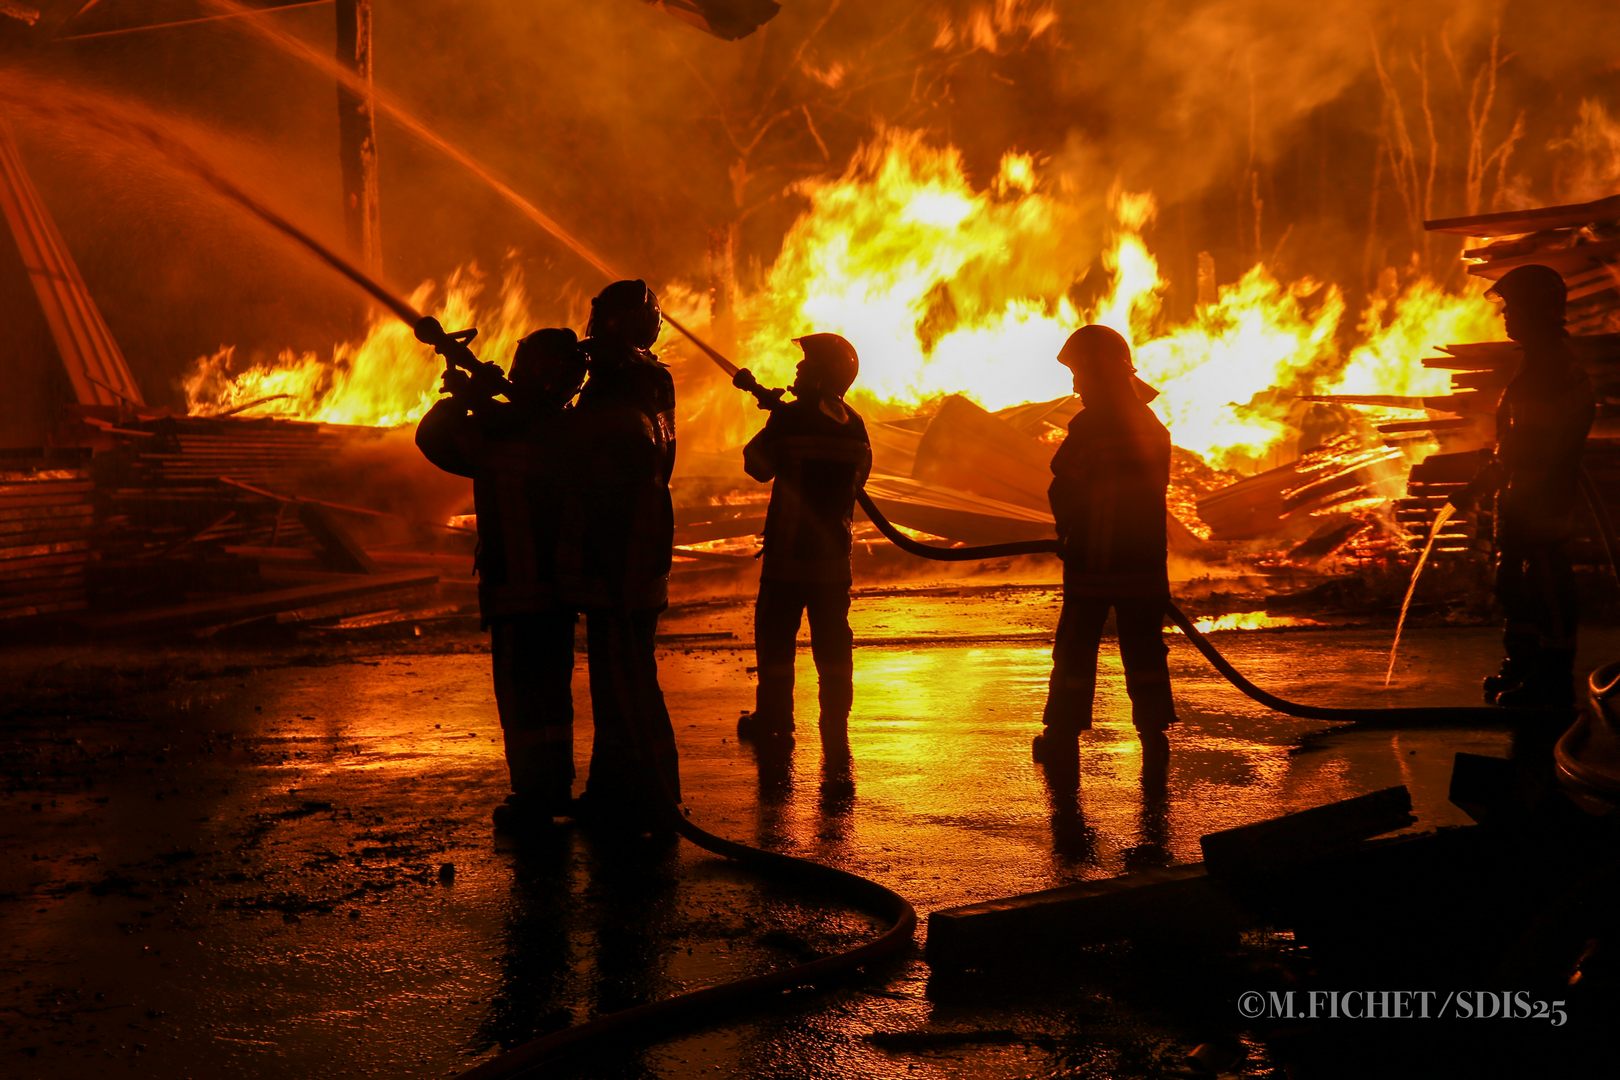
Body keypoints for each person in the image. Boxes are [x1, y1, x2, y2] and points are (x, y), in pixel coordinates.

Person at [414, 328, 588, 834]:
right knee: (553, 693)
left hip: (515, 584)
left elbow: (434, 440)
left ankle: (533, 794)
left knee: (520, 694)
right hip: (558, 588)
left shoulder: (501, 427)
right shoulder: (569, 429)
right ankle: (555, 785)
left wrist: (469, 397)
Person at [562, 279, 683, 831]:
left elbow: (592, 459)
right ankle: (627, 789)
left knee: (622, 680)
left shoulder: (620, 383)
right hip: (642, 546)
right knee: (627, 677)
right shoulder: (648, 377)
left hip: (621, 553)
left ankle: (638, 797)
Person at [1033, 324, 1175, 773]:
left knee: (1075, 645)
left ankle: (1062, 734)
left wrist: (1067, 532)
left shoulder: (1093, 425)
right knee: (1145, 646)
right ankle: (1153, 730)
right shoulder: (1150, 424)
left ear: (1098, 372)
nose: (1075, 384)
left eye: (1079, 373)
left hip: (1095, 555)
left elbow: (1066, 480)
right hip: (1145, 557)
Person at [1452, 264, 1595, 708]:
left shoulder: (1550, 368)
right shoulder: (1541, 361)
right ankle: (1524, 666)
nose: (1505, 316)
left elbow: (1528, 443)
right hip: (1526, 494)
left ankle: (1551, 677)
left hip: (1542, 497)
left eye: (1512, 307)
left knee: (1546, 580)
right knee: (1516, 580)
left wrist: (1482, 482)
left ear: (1535, 310)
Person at [735, 334, 872, 759]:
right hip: (833, 560)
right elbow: (860, 479)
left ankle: (774, 719)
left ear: (824, 373)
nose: (797, 370)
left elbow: (756, 465)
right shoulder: (856, 423)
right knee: (833, 643)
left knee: (776, 641)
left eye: (806, 365)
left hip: (788, 561)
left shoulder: (791, 419)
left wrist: (774, 422)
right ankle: (835, 718)